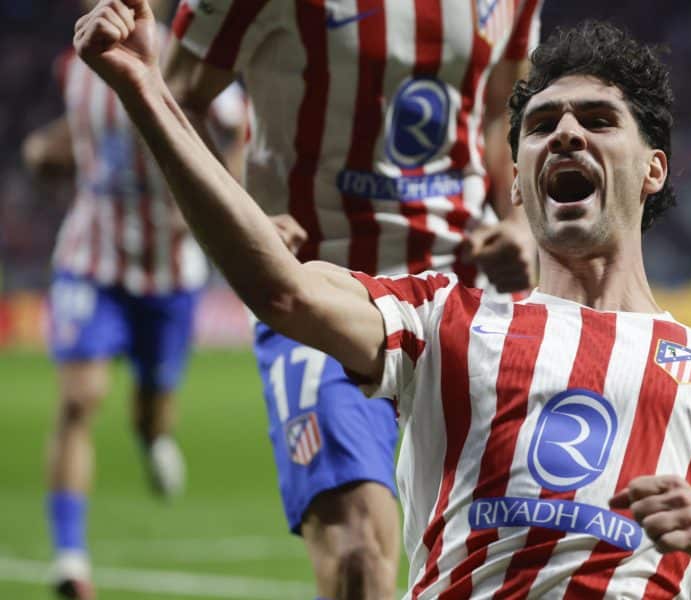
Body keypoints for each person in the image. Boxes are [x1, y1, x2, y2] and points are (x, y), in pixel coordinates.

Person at [74, 5, 691, 598]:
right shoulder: (452, 323)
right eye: (541, 127)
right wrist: (143, 89)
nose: (565, 134)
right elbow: (284, 289)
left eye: (598, 121)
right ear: (515, 179)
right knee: (356, 559)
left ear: (654, 170)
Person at [157, 0, 542, 597]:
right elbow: (172, 94)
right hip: (319, 290)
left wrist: (519, 222)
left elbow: (507, 110)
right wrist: (241, 217)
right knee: (359, 556)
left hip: (464, 294)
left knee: (515, 548)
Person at [20, 1, 246, 598]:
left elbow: (236, 131)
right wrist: (48, 149)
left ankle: (151, 436)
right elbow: (83, 132)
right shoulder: (75, 65)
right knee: (78, 400)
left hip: (168, 271)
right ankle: (70, 559)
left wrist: (244, 208)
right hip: (89, 261)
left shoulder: (188, 61)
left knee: (151, 408)